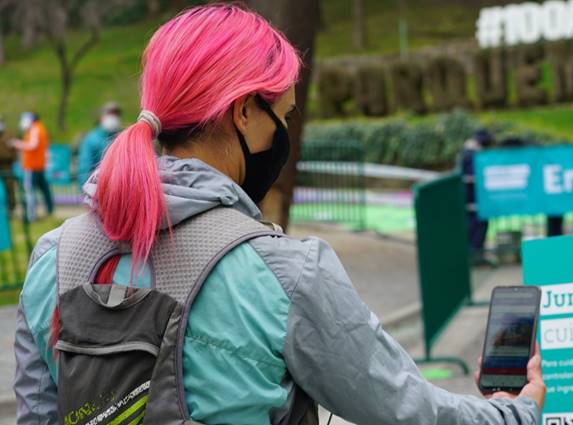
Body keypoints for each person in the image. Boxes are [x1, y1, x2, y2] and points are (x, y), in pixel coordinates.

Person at [13, 5, 544, 425]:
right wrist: (516, 412)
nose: (281, 135)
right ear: (243, 112)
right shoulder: (285, 271)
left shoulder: (53, 258)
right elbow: (409, 411)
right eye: (282, 115)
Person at [11, 112, 53, 222]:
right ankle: (48, 211)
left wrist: (18, 144)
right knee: (43, 189)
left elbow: (32, 145)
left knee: (30, 190)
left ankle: (31, 216)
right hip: (38, 165)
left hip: (32, 166)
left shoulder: (35, 129)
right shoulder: (41, 128)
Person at [460, 129, 494, 262]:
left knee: (477, 224)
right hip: (474, 200)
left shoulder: (468, 152)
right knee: (475, 225)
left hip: (477, 200)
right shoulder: (470, 155)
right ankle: (475, 255)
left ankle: (476, 253)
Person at [76, 101, 123, 187]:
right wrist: (86, 189)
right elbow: (84, 167)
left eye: (116, 115)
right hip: (96, 189)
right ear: (101, 117)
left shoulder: (121, 138)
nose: (113, 117)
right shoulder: (91, 139)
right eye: (110, 114)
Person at [0, 116, 17, 212]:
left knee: (9, 187)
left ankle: (11, 208)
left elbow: (13, 150)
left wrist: (13, 160)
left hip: (7, 165)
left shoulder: (8, 134)